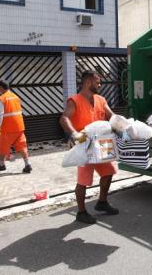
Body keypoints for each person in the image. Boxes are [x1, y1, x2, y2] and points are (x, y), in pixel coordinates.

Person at [60, 70, 119, 224]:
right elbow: (64, 118)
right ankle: (81, 212)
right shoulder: (74, 100)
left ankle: (102, 202)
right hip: (84, 143)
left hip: (102, 141)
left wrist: (123, 125)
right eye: (97, 81)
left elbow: (111, 116)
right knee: (84, 180)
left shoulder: (100, 99)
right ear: (88, 82)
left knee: (109, 171)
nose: (100, 84)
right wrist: (74, 134)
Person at [0, 80, 32, 173]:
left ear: (1, 88)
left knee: (2, 146)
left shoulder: (2, 98)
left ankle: (1, 164)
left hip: (7, 128)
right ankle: (27, 164)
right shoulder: (16, 97)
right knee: (22, 146)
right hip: (19, 127)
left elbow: (0, 114)